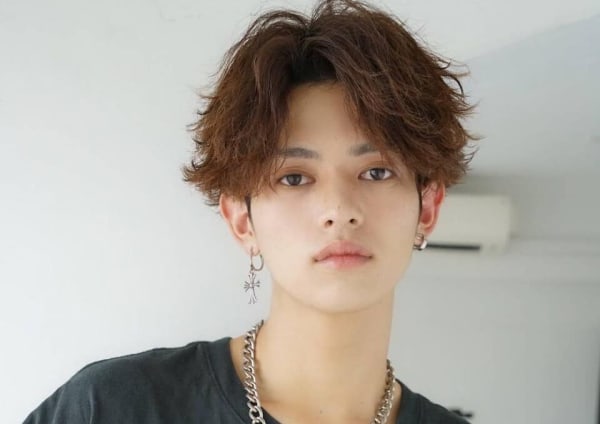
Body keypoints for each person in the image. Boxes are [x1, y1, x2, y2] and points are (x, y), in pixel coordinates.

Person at [24, 0, 477, 423]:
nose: (339, 210)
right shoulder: (112, 406)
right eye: (294, 178)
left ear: (428, 207)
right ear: (241, 220)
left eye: (376, 172)